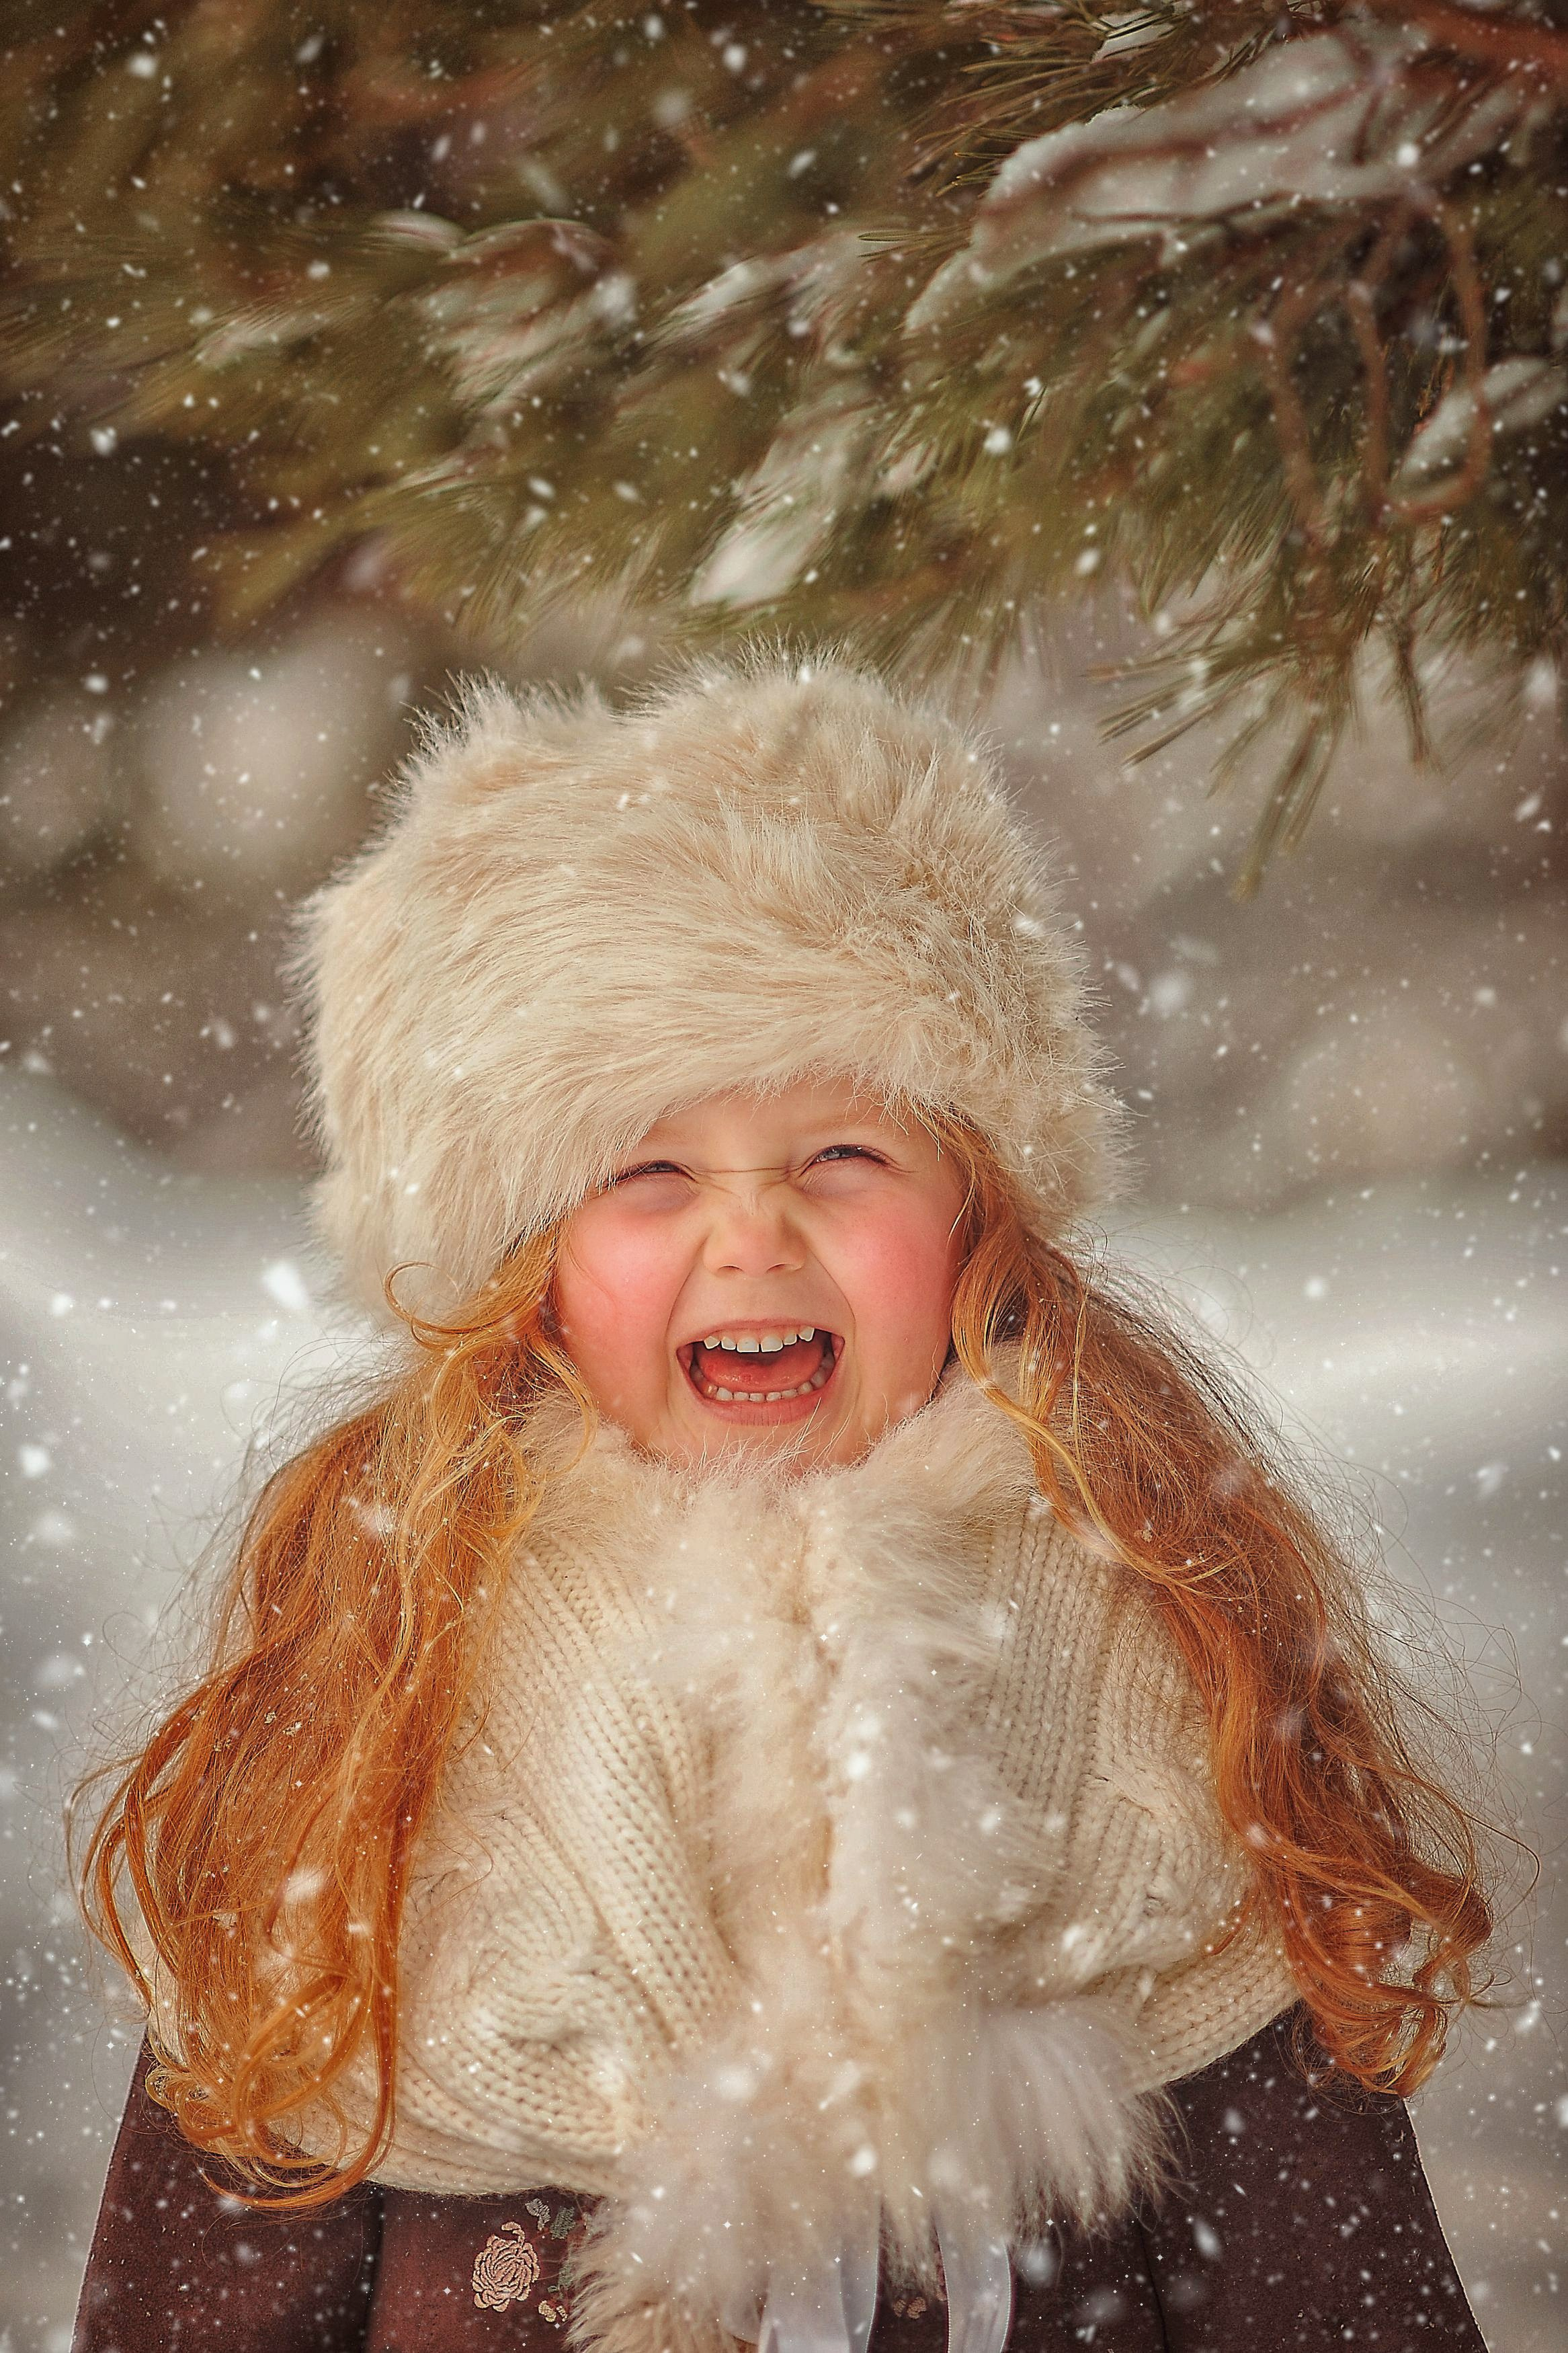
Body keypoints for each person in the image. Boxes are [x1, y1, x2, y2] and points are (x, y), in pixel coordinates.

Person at [72, 657, 1492, 2351]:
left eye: (844, 1157)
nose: (751, 1239)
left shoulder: (1165, 1699)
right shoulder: (379, 1726)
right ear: (520, 1275)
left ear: (981, 1223)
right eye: (646, 1171)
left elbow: (1336, 2305)